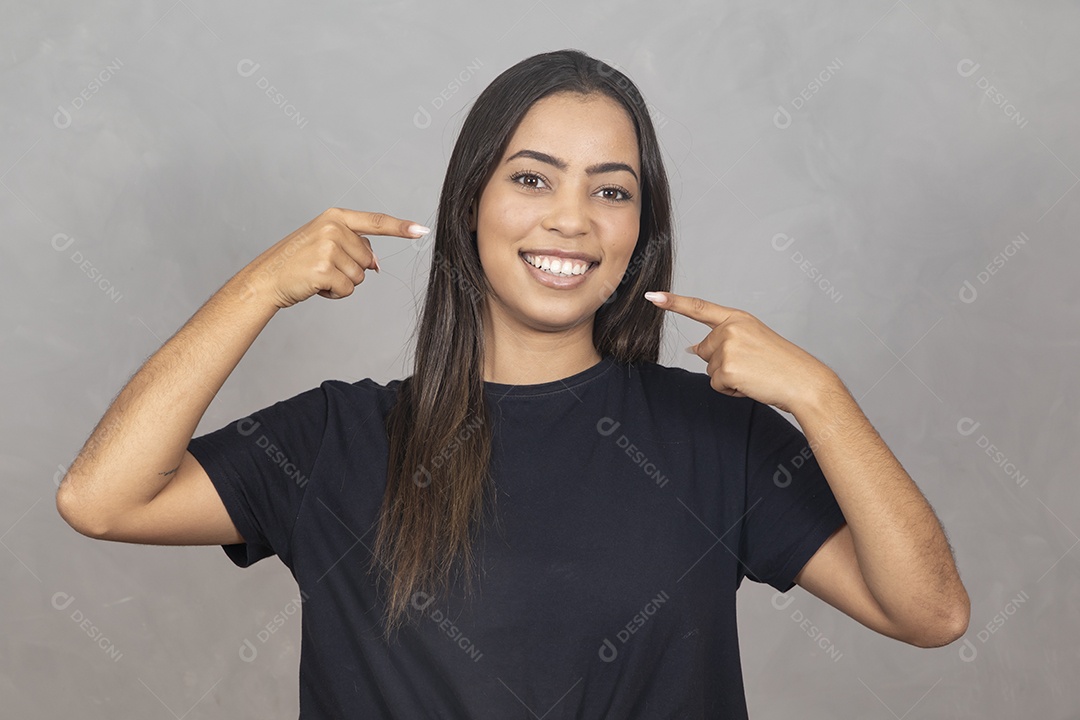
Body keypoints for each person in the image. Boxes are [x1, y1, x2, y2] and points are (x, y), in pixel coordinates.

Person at [56, 48, 969, 718]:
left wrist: (819, 394)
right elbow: (101, 499)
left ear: (639, 232)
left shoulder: (715, 436)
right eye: (533, 178)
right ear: (472, 206)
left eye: (612, 191)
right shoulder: (336, 439)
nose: (571, 220)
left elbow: (929, 613)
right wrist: (259, 288)